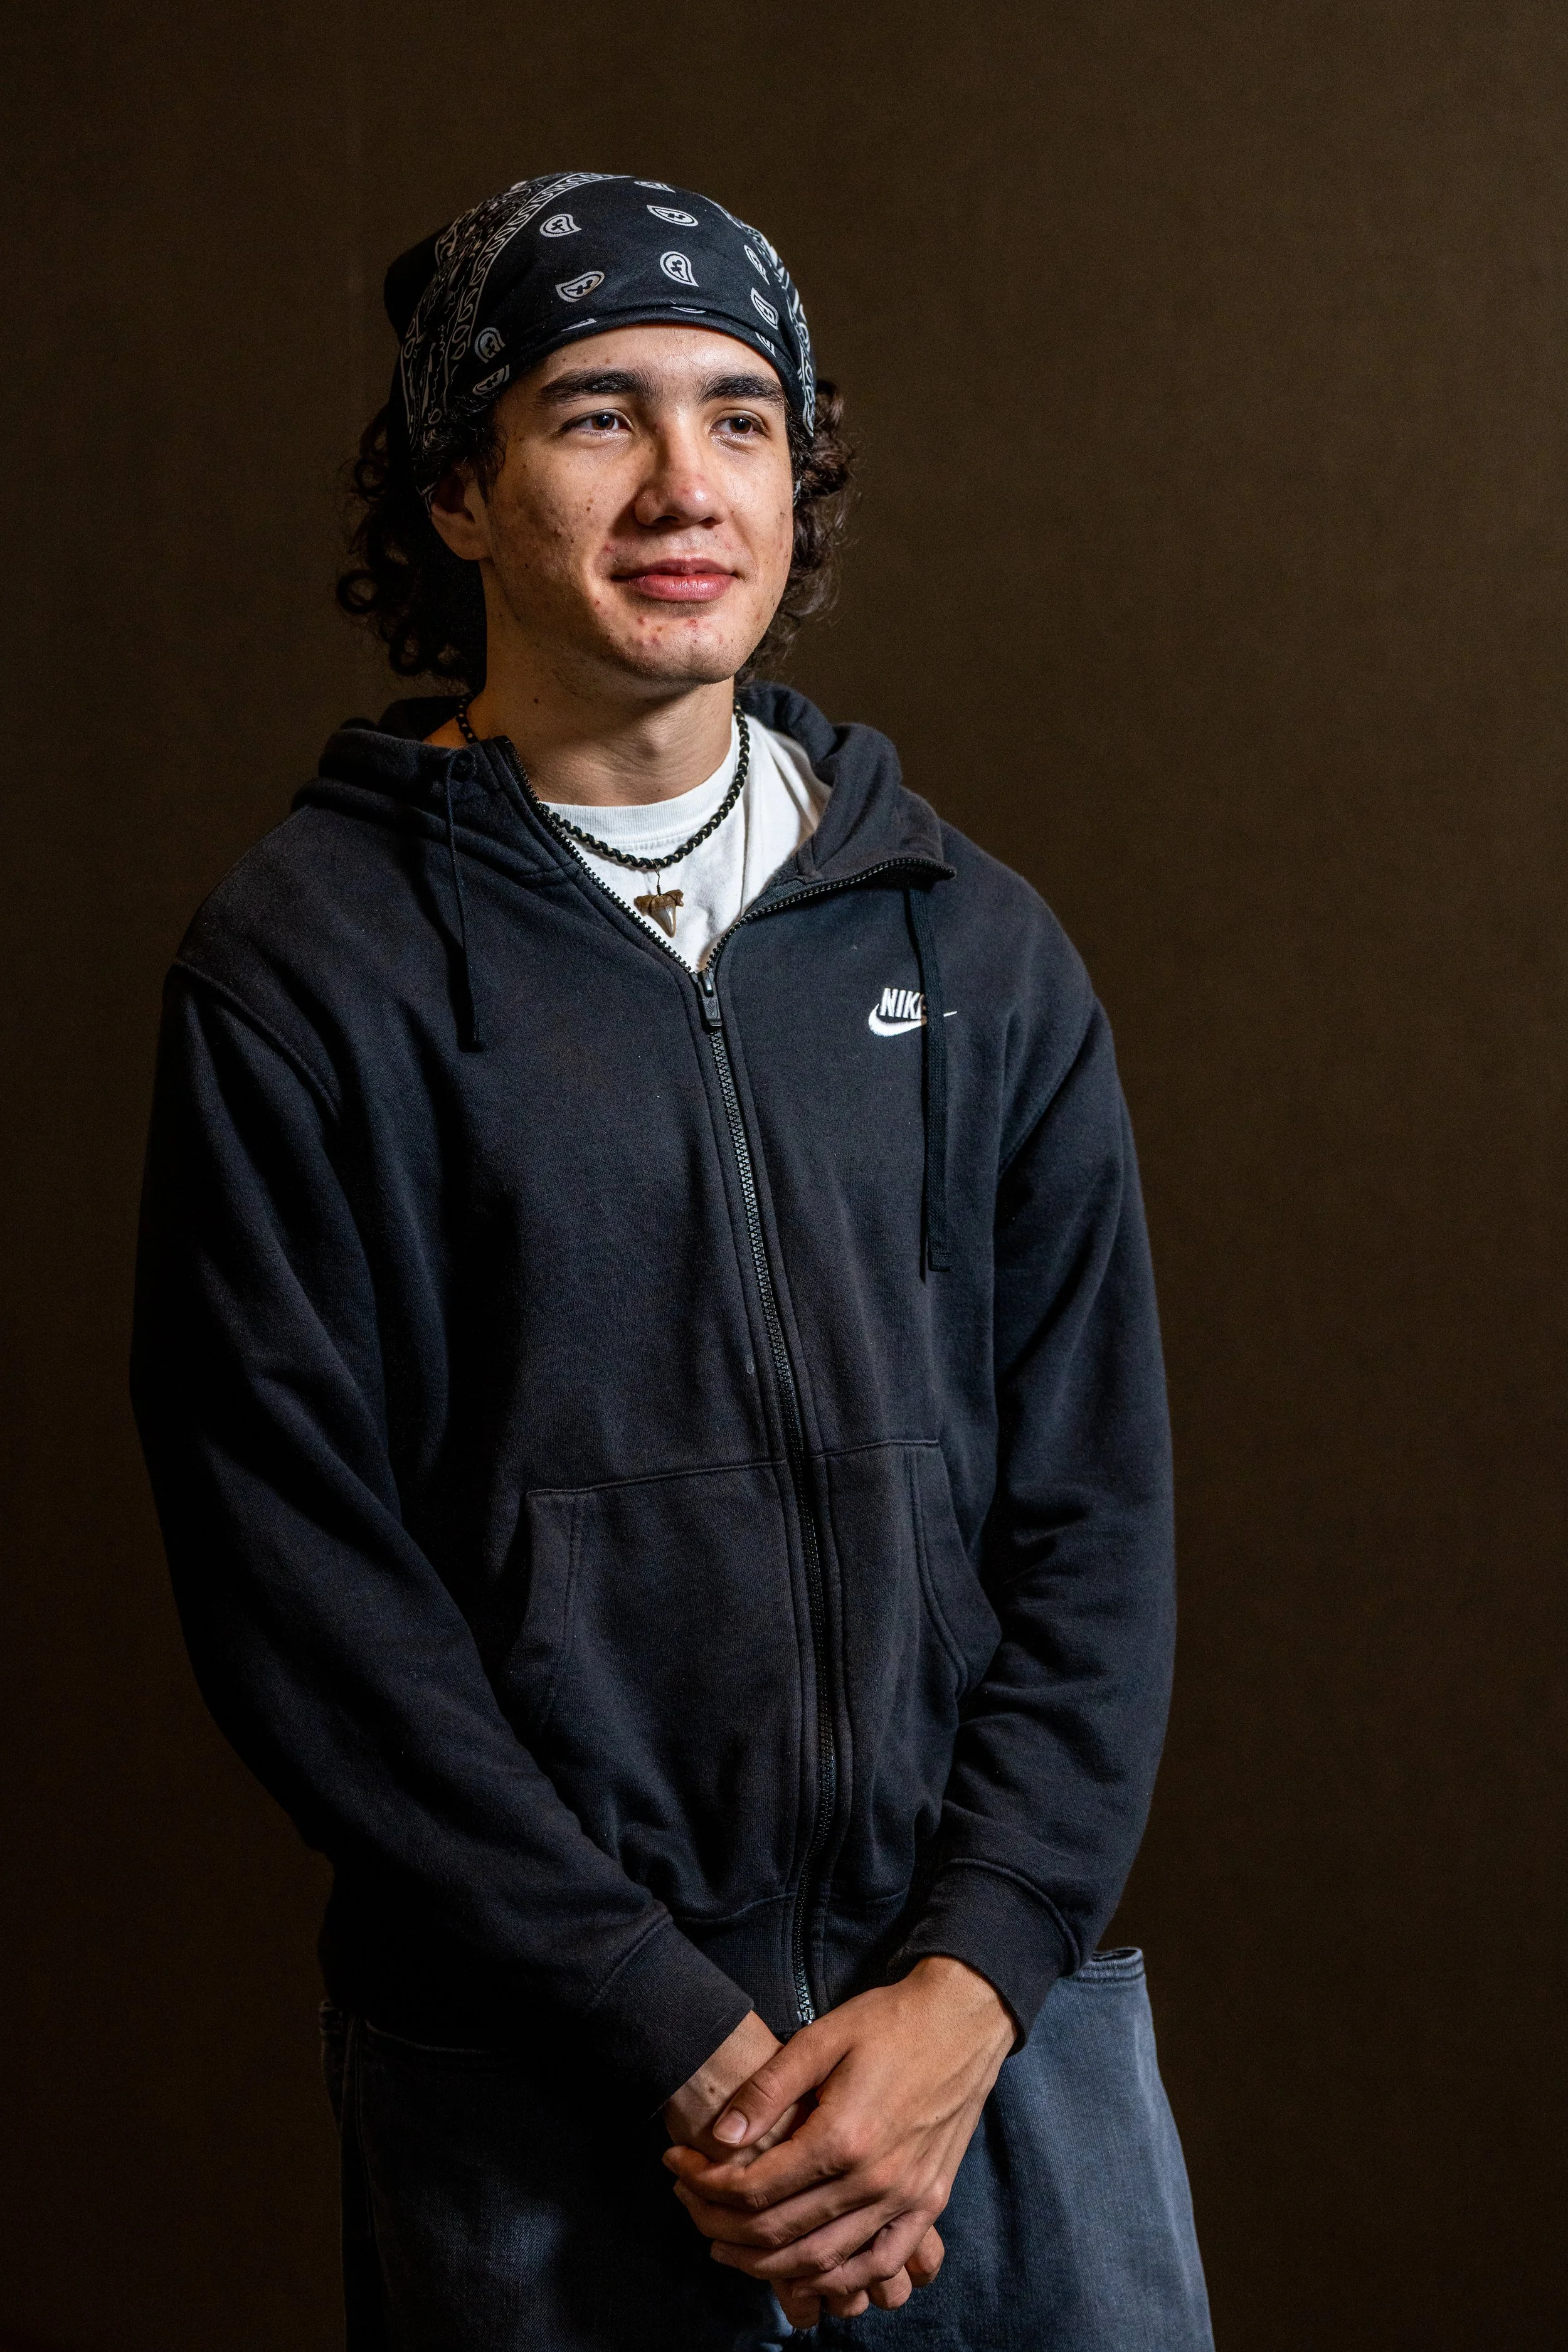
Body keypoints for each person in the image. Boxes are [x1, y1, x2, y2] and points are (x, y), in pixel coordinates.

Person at [131, 172, 1213, 2349]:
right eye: (594, 413)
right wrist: (679, 2037)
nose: (682, 484)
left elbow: (1096, 1516)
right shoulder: (306, 972)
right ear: (457, 485)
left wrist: (965, 1986)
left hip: (989, 2051)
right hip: (556, 2074)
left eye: (739, 417)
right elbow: (302, 1589)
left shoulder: (967, 941)